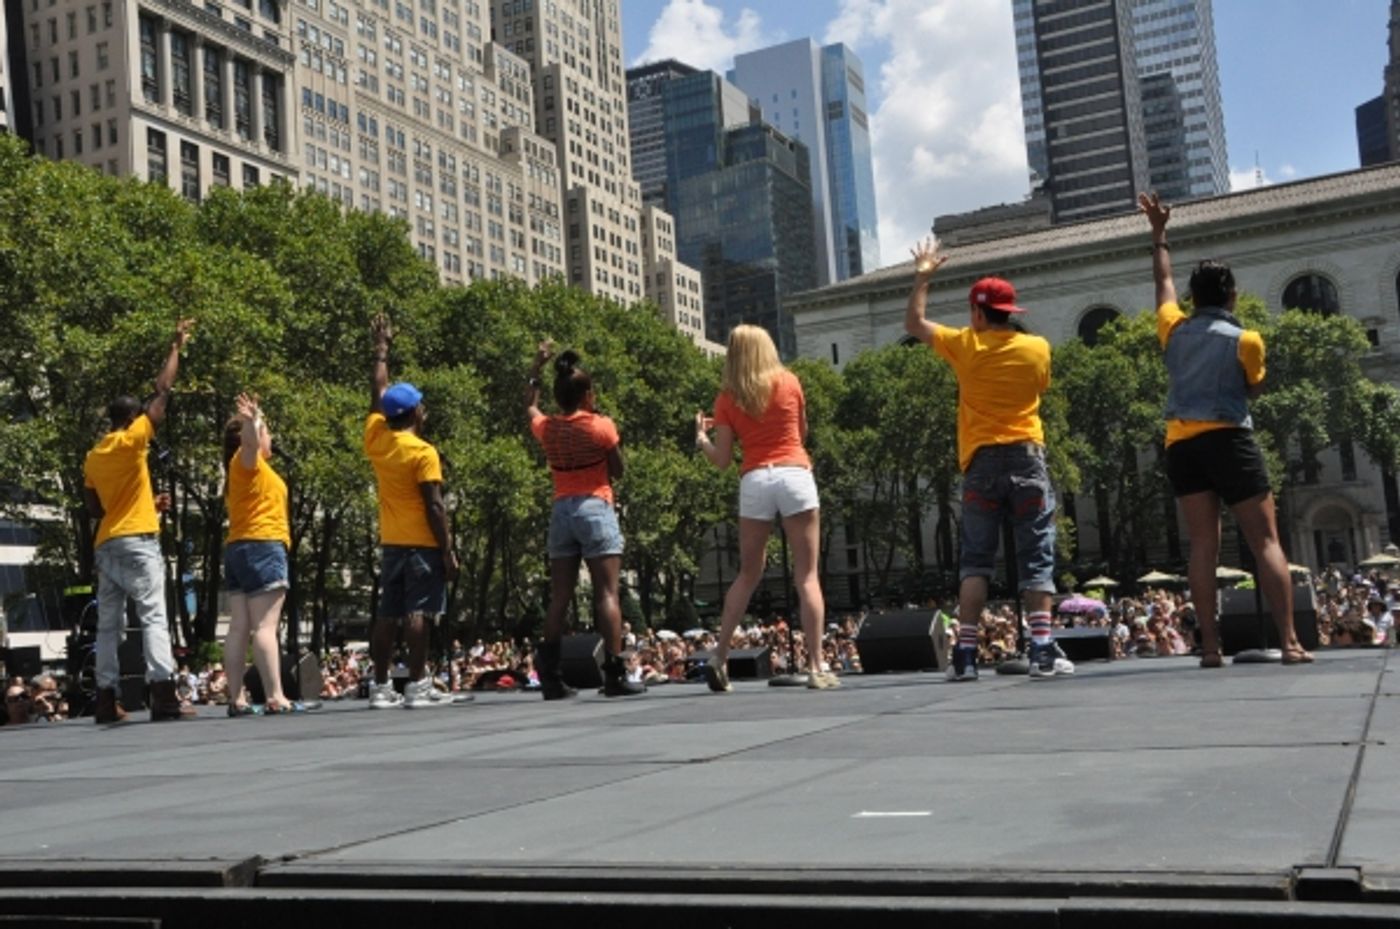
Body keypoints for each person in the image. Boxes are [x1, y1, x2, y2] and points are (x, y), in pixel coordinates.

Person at [1139, 192, 1314, 668]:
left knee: (1202, 546)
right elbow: (1252, 389)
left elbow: (1162, 281)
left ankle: (1211, 648)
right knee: (1266, 542)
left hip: (1182, 446)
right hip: (1231, 439)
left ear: (1193, 299)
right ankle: (1291, 642)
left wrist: (1159, 233)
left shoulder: (1171, 328)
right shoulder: (1247, 340)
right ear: (1233, 295)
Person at [905, 241, 1073, 681]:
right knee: (1036, 556)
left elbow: (915, 323)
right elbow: (1040, 390)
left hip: (979, 464)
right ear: (1010, 311)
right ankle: (1040, 649)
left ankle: (964, 657)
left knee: (976, 562)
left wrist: (923, 275)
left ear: (978, 313)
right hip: (1027, 458)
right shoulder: (1038, 348)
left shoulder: (965, 345)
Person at [694, 324, 840, 691]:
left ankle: (719, 657)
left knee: (747, 574)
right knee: (807, 576)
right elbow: (801, 434)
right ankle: (817, 666)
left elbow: (723, 459)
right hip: (794, 473)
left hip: (755, 479)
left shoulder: (727, 398)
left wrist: (701, 439)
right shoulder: (790, 382)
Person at [83, 318, 198, 722]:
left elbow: (97, 509)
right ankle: (164, 695)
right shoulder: (134, 440)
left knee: (108, 624)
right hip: (138, 541)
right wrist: (176, 346)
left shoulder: (94, 456)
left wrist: (148, 502)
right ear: (133, 420)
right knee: (153, 615)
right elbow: (162, 390)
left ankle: (105, 698)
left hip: (107, 542)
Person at [526, 342, 644, 699]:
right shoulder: (602, 427)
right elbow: (618, 470)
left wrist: (537, 365)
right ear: (588, 394)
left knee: (559, 596)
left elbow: (529, 405)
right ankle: (613, 673)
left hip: (561, 509)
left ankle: (549, 677)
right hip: (595, 505)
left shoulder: (547, 428)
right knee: (606, 593)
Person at [364, 314, 464, 709]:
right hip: (421, 543)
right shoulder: (423, 453)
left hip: (391, 541)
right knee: (419, 612)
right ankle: (419, 686)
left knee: (388, 615)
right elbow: (435, 506)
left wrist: (381, 349)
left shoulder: (375, 437)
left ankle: (381, 686)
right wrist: (447, 550)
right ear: (415, 413)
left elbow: (378, 389)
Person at [221, 393, 303, 716]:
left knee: (240, 626)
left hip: (238, 547)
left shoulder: (240, 471)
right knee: (266, 627)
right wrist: (253, 421)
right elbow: (252, 445)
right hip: (263, 546)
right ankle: (275, 695)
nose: (269, 437)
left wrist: (253, 423)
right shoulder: (246, 463)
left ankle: (236, 699)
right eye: (267, 431)